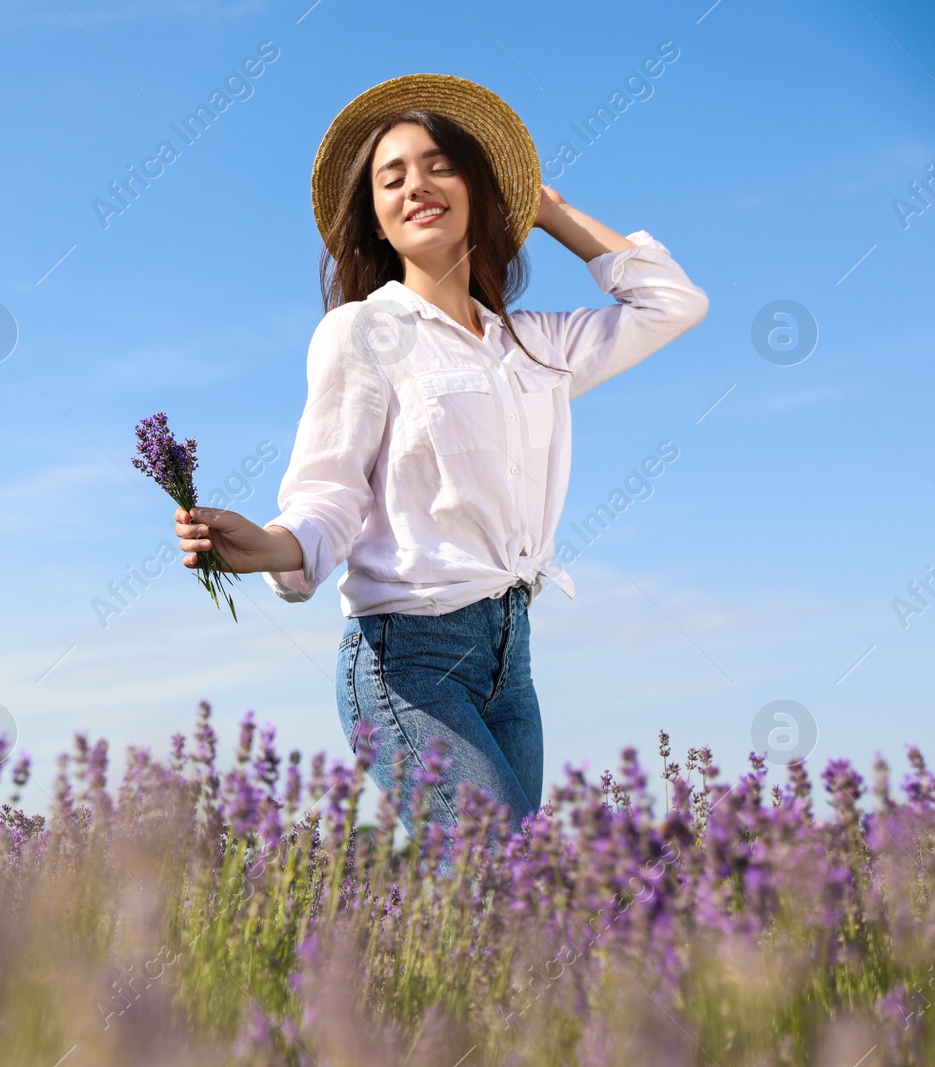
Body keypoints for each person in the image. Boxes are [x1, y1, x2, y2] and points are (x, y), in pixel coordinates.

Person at [171, 74, 709, 841]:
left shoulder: (533, 345)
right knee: (520, 881)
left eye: (439, 166)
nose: (416, 185)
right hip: (408, 662)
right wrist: (270, 546)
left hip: (510, 662)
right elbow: (329, 496)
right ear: (377, 223)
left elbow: (672, 302)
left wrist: (546, 210)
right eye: (392, 178)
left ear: (478, 193)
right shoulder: (363, 331)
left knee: (499, 924)